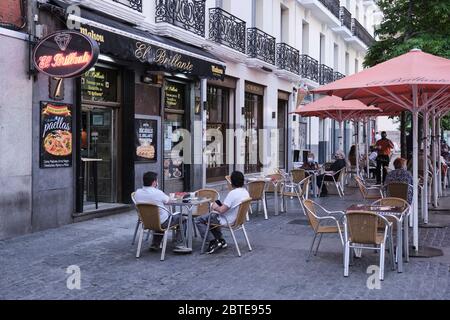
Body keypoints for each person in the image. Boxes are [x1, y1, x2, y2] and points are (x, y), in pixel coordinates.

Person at [195, 171, 250, 254]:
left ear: (232, 182)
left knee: (200, 220)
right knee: (210, 217)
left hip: (226, 219)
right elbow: (228, 206)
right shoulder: (245, 192)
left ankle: (212, 242)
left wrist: (214, 206)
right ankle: (221, 240)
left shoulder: (233, 193)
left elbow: (221, 210)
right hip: (238, 220)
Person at [134, 172, 189, 253]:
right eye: (157, 180)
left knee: (158, 218)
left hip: (146, 222)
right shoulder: (158, 193)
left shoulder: (137, 193)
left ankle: (155, 244)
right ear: (154, 182)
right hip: (162, 222)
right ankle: (179, 245)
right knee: (182, 218)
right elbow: (169, 201)